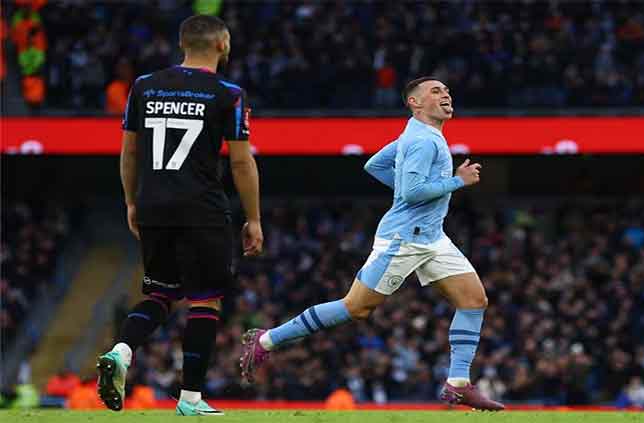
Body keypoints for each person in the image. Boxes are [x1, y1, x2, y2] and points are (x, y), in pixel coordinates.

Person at [240, 76, 504, 410]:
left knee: (473, 299)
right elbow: (411, 192)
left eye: (447, 90)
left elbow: (374, 165)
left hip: (433, 237)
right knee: (356, 308)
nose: (446, 94)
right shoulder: (425, 141)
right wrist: (457, 181)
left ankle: (458, 384)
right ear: (415, 102)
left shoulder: (417, 133)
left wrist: (407, 191)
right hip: (404, 239)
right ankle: (267, 339)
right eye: (435, 91)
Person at [96, 14, 263, 416]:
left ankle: (121, 350)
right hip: (201, 207)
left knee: (158, 294)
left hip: (153, 203)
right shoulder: (229, 92)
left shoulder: (144, 86)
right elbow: (241, 164)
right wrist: (253, 218)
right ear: (222, 45)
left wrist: (131, 201)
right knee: (205, 301)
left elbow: (129, 152)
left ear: (182, 43)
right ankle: (190, 399)